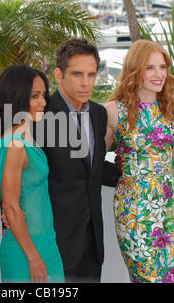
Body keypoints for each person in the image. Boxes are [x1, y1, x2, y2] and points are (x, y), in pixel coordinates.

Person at [105, 40, 174, 283]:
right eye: (150, 67)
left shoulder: (171, 106)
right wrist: (120, 169)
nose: (159, 74)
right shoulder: (113, 110)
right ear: (134, 69)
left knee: (171, 276)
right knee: (146, 277)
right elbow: (91, 159)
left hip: (172, 206)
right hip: (135, 209)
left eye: (162, 67)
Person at [43, 38, 118, 282]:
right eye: (77, 74)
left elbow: (91, 168)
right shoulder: (41, 116)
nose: (86, 82)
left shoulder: (98, 114)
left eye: (91, 74)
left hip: (92, 240)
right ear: (58, 74)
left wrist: (136, 170)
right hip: (53, 239)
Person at [0, 65, 64, 283]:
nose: (43, 102)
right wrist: (33, 258)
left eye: (43, 95)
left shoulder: (25, 137)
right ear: (16, 97)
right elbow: (10, 206)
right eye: (35, 96)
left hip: (46, 245)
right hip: (26, 252)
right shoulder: (14, 145)